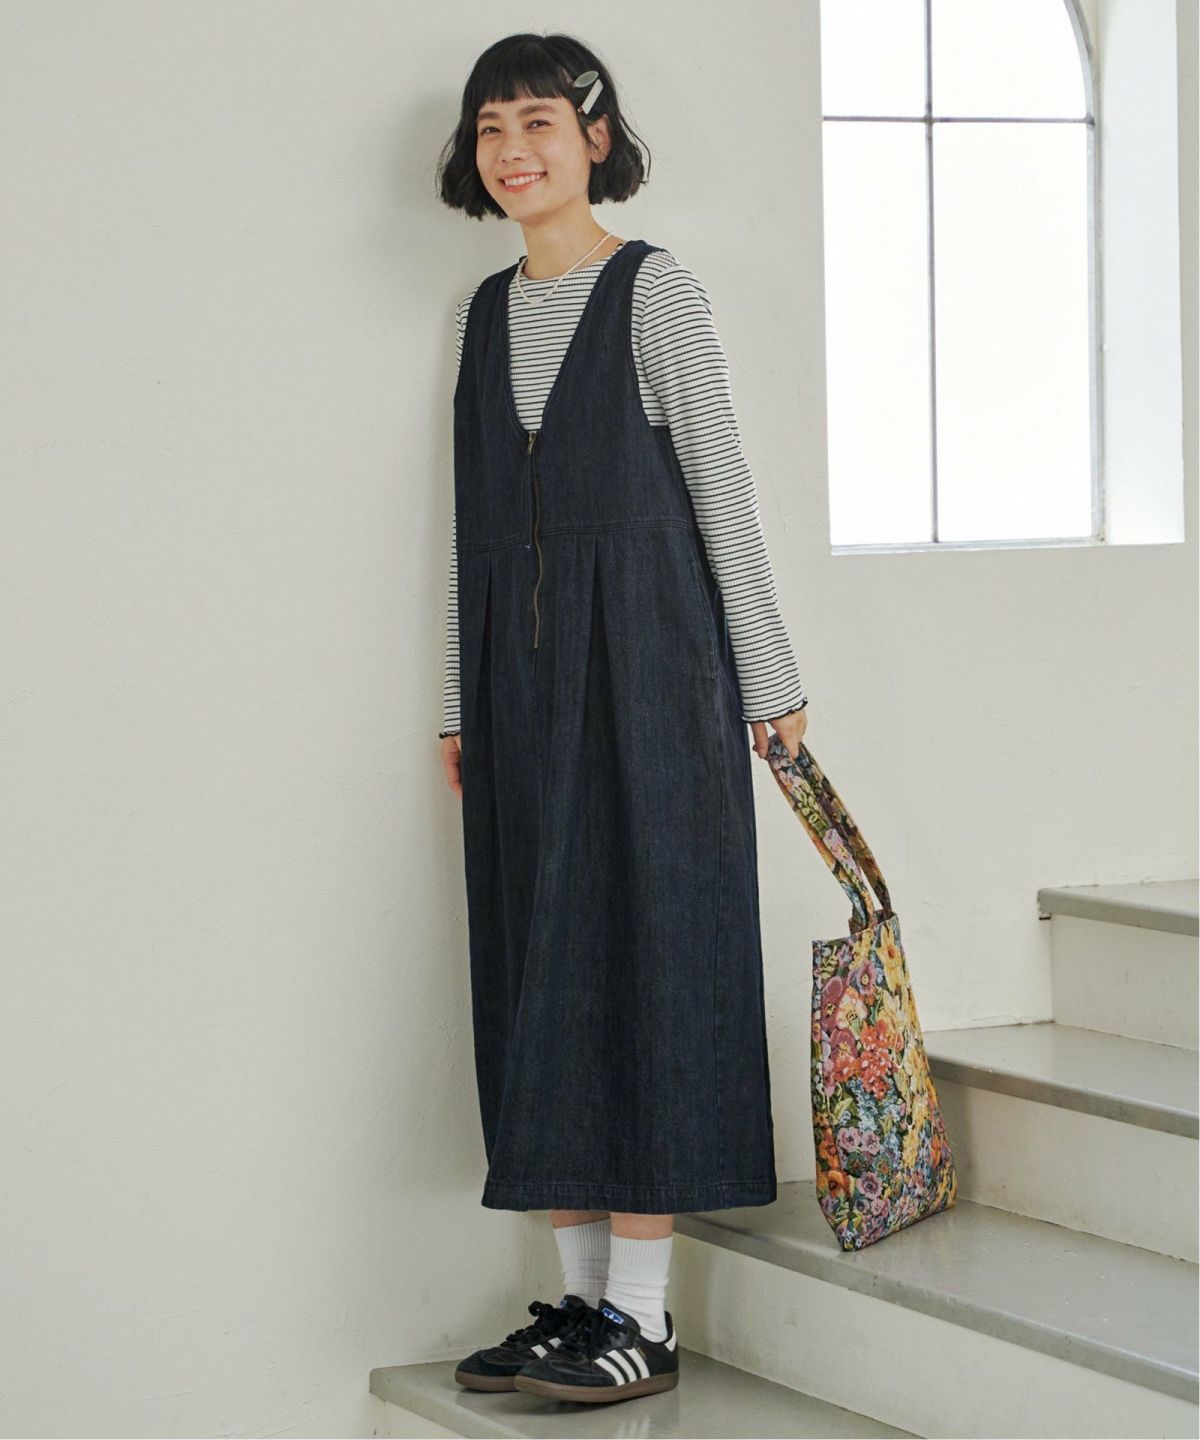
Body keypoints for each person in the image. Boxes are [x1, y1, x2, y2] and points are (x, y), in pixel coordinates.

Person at [433, 31, 809, 1405]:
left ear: (596, 137)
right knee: (539, 973)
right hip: (522, 696)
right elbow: (470, 529)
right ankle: (578, 1304)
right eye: (490, 128)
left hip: (654, 671)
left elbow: (721, 491)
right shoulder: (482, 314)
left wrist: (769, 682)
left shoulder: (657, 292)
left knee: (652, 960)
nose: (512, 150)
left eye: (537, 121)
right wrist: (461, 702)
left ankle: (642, 1320)